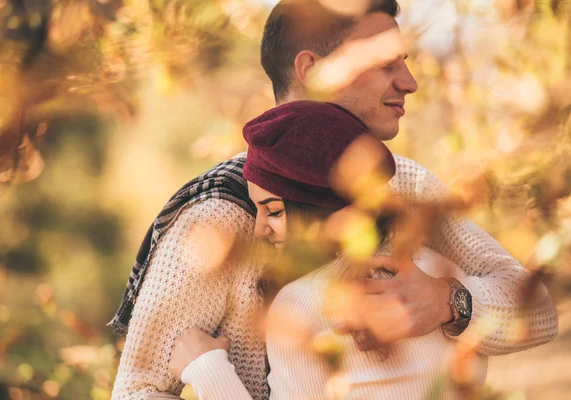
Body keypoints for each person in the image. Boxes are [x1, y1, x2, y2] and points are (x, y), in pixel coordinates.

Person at [110, 1, 558, 399]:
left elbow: (538, 313)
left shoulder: (409, 187)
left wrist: (450, 302)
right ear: (313, 71)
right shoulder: (216, 217)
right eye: (386, 64)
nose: (411, 82)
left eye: (405, 62)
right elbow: (138, 391)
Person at [170, 100, 478, 400]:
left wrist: (207, 369)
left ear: (317, 208)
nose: (258, 229)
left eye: (274, 211)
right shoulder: (440, 273)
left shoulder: (301, 304)